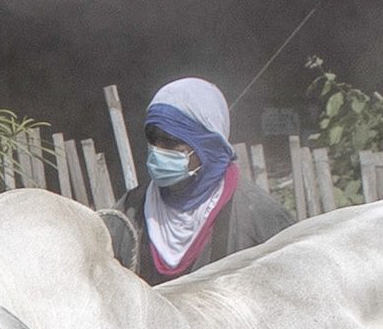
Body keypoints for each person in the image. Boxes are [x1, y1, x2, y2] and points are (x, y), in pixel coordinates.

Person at [106, 76, 294, 283]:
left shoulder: (260, 220)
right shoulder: (128, 214)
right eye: (152, 138)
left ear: (208, 147)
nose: (157, 150)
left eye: (170, 141)